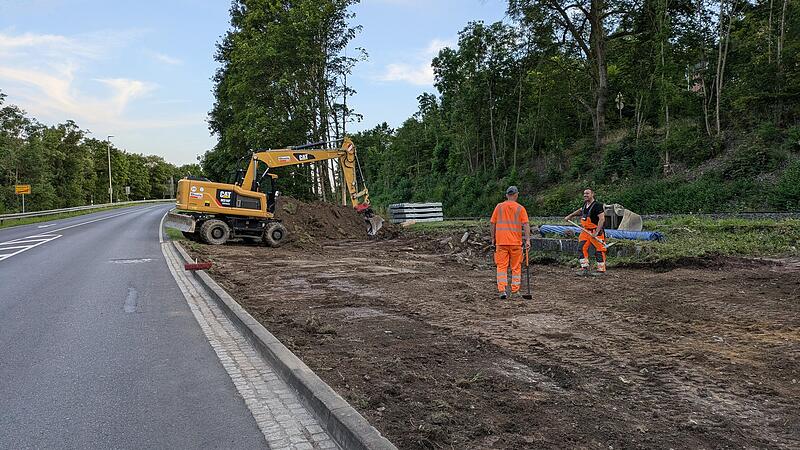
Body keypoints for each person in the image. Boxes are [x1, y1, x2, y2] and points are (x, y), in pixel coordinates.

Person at [490, 186, 531, 299]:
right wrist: (527, 240)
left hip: (501, 243)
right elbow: (526, 224)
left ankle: (502, 290)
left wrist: (493, 238)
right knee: (516, 267)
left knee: (501, 267)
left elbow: (492, 223)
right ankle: (515, 291)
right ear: (516, 195)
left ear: (507, 195)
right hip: (515, 243)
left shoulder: (499, 207)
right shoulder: (520, 208)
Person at [564, 188, 607, 275]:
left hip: (595, 231)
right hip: (585, 231)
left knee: (599, 250)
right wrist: (570, 216)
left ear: (592, 194)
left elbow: (602, 219)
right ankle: (585, 267)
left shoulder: (597, 205)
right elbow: (580, 210)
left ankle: (601, 269)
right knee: (581, 248)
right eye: (584, 194)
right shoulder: (585, 204)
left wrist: (596, 232)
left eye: (587, 193)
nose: (585, 195)